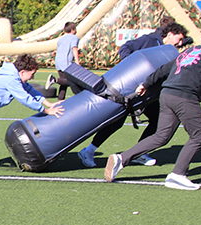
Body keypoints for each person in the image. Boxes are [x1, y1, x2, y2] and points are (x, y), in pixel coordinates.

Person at [104, 30, 201, 190]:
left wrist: (146, 83)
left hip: (167, 94)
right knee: (198, 136)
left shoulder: (191, 51)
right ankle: (178, 175)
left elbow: (165, 68)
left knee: (161, 136)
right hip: (185, 97)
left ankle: (122, 158)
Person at [75, 21, 187, 168]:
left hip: (148, 93)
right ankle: (88, 151)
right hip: (130, 90)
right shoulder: (149, 40)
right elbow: (126, 48)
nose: (180, 43)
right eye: (178, 39)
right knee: (117, 121)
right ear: (170, 34)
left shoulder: (169, 51)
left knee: (157, 120)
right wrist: (129, 64)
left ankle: (139, 153)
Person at [48, 22, 79, 101]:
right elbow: (74, 48)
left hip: (58, 61)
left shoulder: (61, 39)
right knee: (73, 81)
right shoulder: (74, 37)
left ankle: (60, 100)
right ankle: (54, 80)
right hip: (66, 61)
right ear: (73, 30)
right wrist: (77, 61)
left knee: (64, 82)